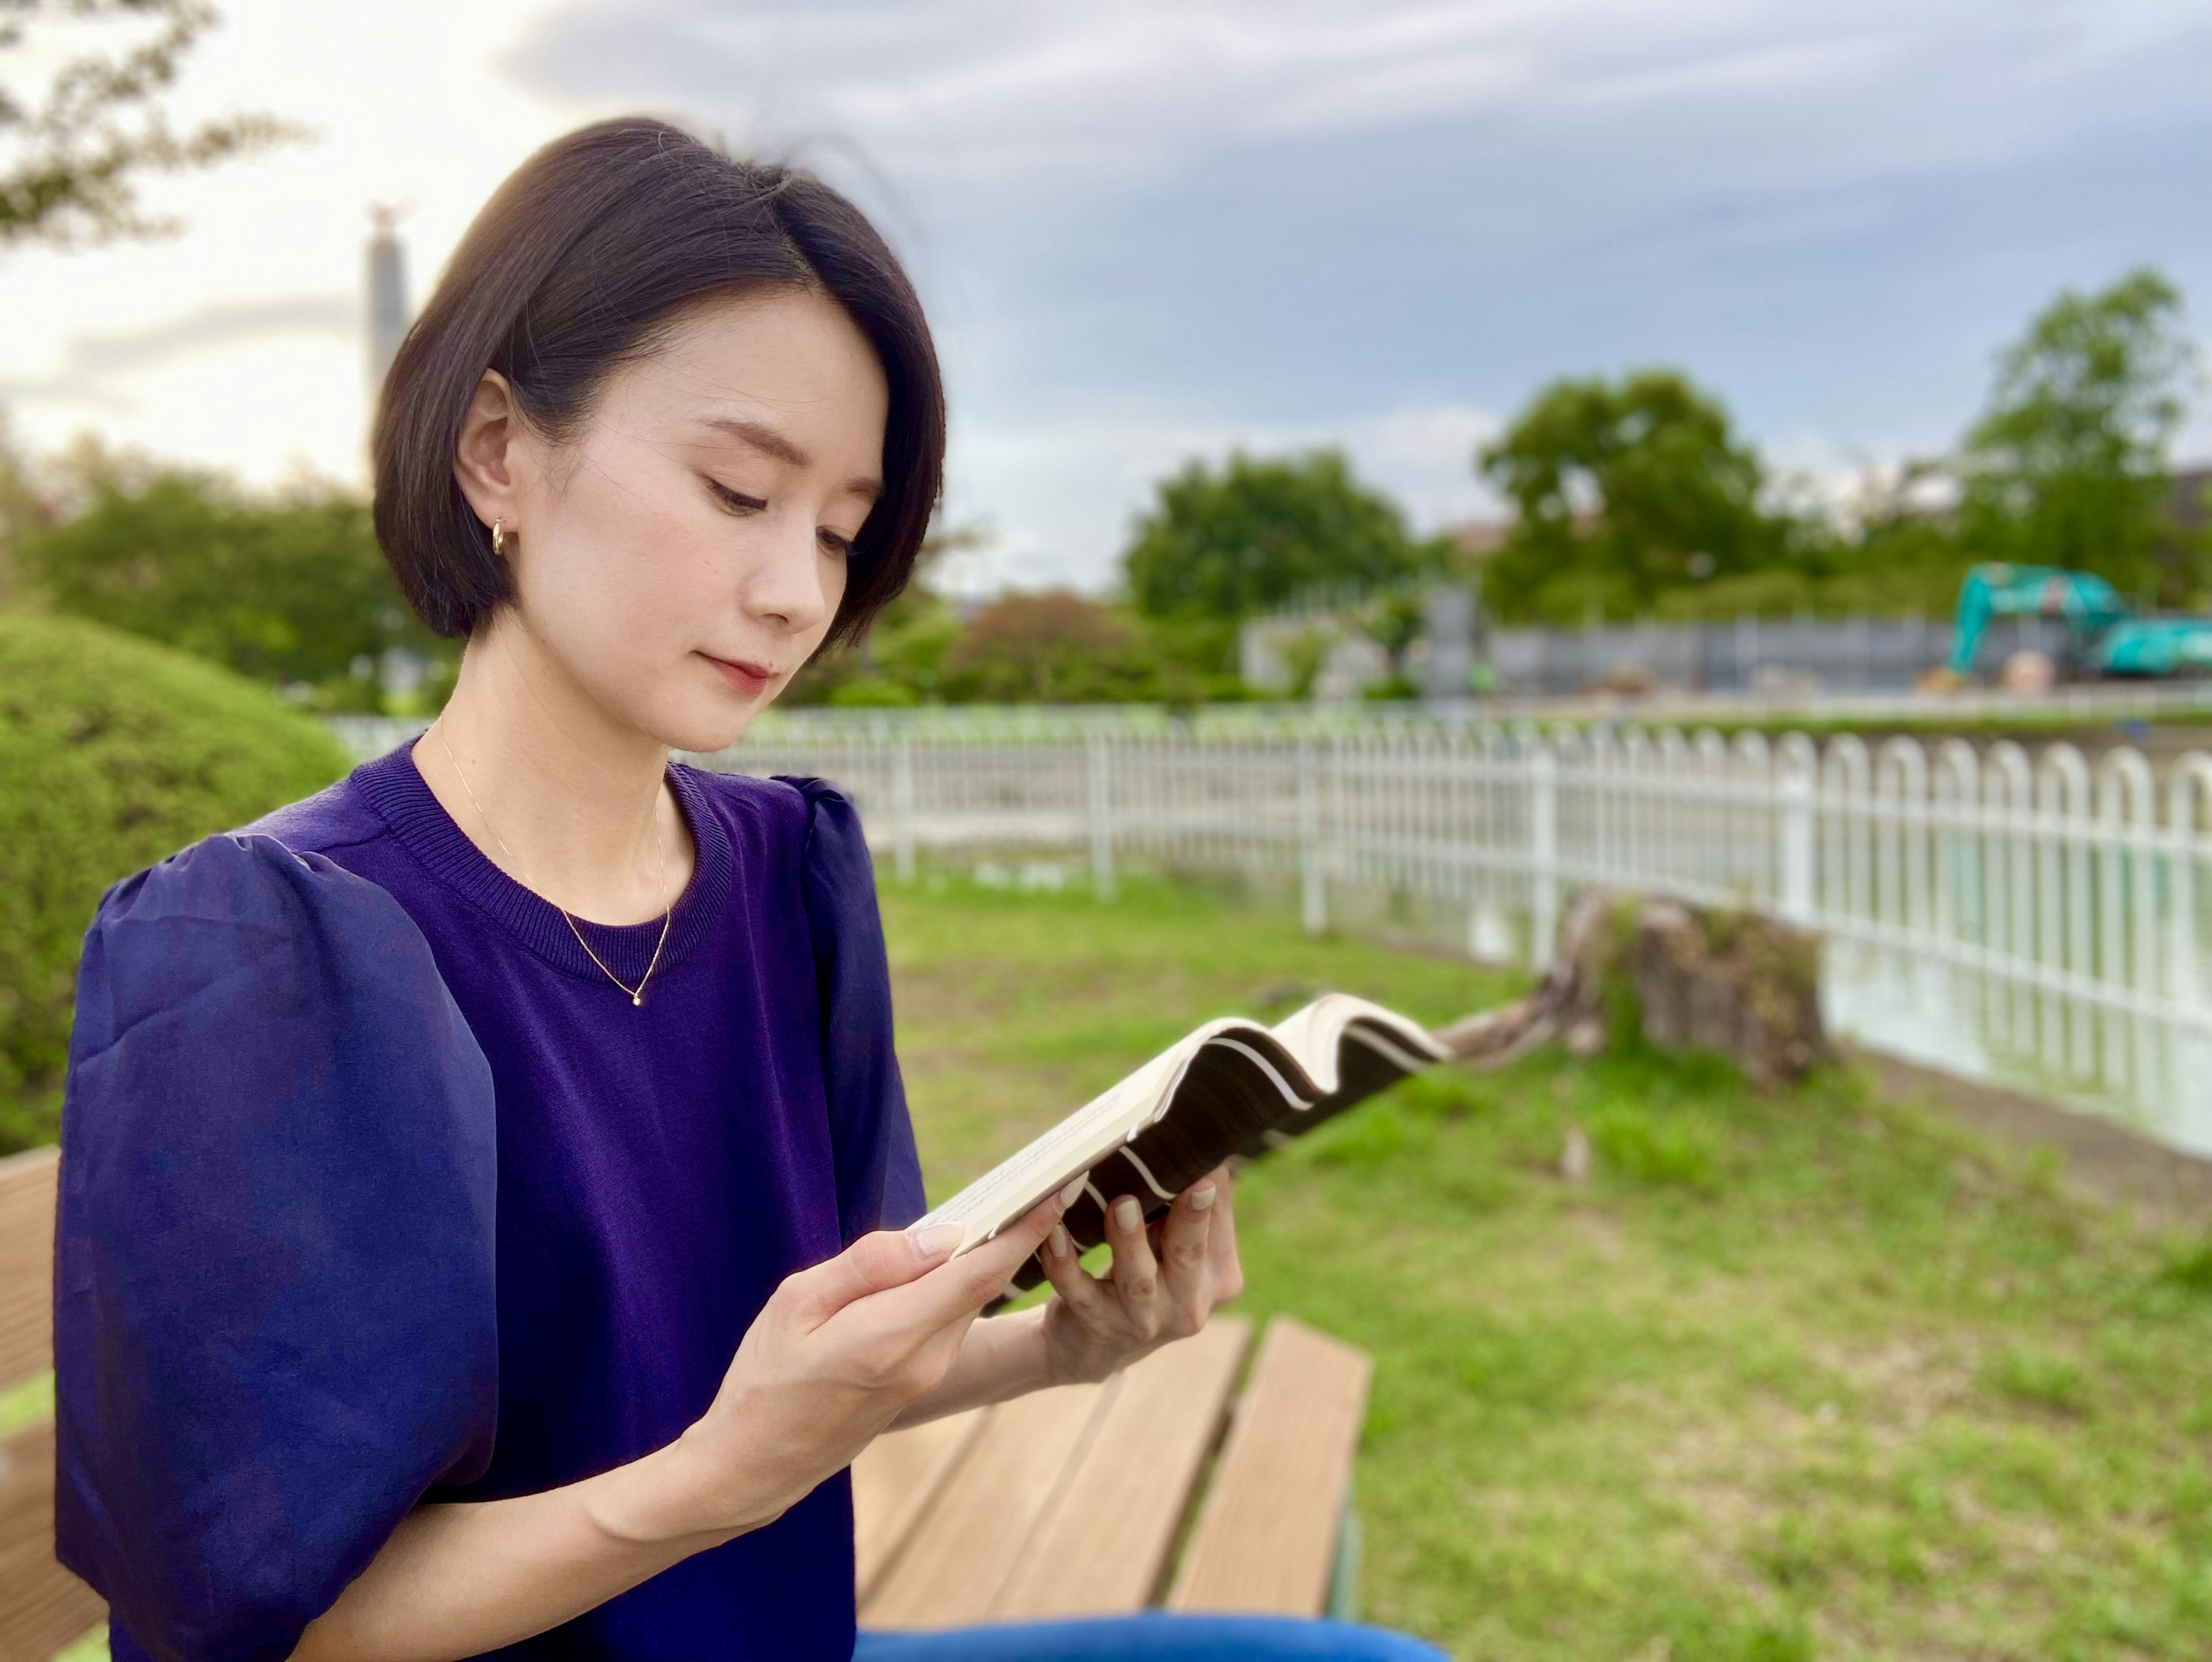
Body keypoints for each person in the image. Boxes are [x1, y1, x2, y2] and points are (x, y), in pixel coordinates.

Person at [53, 119, 1445, 1662]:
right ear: (499, 450)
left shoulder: (790, 871)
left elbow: (808, 1377)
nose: (797, 590)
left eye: (843, 530)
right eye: (736, 491)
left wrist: (1059, 1349)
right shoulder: (270, 945)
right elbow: (258, 1624)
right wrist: (718, 1484)